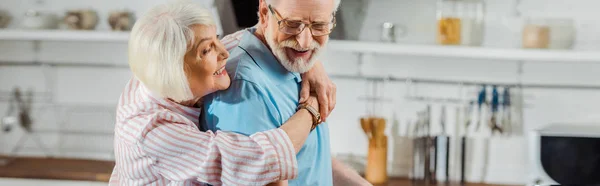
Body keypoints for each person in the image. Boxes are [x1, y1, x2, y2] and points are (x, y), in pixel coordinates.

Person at [109, 1, 337, 185]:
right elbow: (259, 160)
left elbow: (261, 35)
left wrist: (311, 64)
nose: (224, 53)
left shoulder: (164, 73)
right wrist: (312, 108)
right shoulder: (152, 131)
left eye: (216, 38)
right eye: (207, 49)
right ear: (176, 70)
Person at [203, 0, 370, 185]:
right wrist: (312, 106)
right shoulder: (245, 88)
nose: (305, 41)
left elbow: (308, 159)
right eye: (292, 25)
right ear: (265, 13)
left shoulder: (292, 65)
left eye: (320, 25)